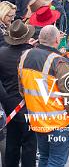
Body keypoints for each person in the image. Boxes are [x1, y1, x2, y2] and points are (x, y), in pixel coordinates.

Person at [18, 25, 69, 166]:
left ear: (39, 39)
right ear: (57, 40)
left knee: (44, 157)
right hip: (59, 123)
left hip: (38, 121)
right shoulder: (59, 63)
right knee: (57, 160)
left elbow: (22, 90)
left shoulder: (25, 56)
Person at [0, 19, 38, 167]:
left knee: (12, 143)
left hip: (10, 106)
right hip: (29, 105)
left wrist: (6, 100)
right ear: (26, 37)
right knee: (29, 145)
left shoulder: (2, 54)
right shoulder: (32, 55)